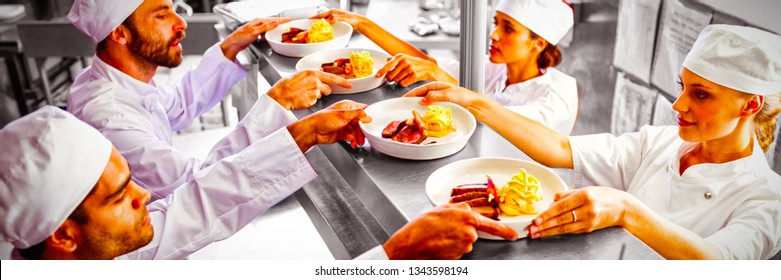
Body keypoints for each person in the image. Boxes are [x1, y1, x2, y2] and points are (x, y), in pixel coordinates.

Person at [405, 24, 781, 259]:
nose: (678, 104)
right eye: (682, 87)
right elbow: (560, 149)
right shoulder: (662, 143)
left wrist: (625, 209)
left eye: (701, 95)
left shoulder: (768, 199)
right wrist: (476, 102)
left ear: (750, 105)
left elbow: (718, 262)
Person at [0, 106, 517, 260]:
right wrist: (393, 257)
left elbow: (189, 207)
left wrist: (298, 134)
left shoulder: (99, 252)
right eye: (121, 196)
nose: (145, 198)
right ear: (64, 235)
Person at [66, 0, 350, 200]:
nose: (181, 24)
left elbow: (174, 105)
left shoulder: (112, 80)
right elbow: (196, 186)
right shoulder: (109, 118)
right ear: (120, 33)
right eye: (162, 15)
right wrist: (276, 103)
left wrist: (230, 46)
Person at [312, 0, 578, 135]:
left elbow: (510, 124)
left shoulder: (559, 95)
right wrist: (362, 24)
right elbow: (429, 65)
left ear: (538, 43)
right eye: (496, 23)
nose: (494, 35)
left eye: (508, 29)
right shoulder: (496, 70)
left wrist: (441, 77)